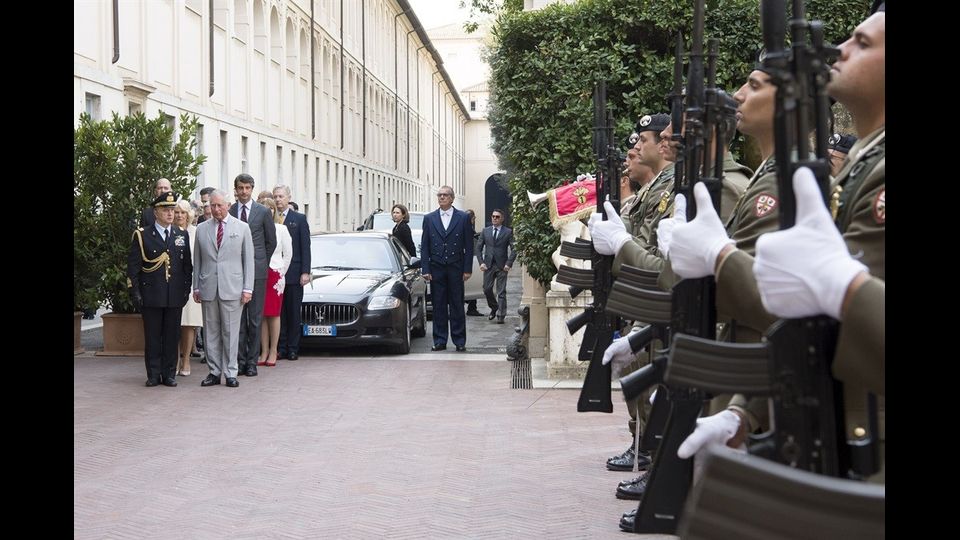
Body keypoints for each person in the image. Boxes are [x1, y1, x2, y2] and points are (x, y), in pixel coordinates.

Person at [669, 4, 885, 476]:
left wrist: (719, 256)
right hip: (825, 412)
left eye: (862, 43)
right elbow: (807, 318)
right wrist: (744, 411)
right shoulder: (861, 169)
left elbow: (801, 303)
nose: (840, 50)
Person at [127, 191, 192, 387]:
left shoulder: (181, 234)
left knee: (172, 336)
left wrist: (185, 290)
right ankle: (154, 374)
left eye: (172, 210)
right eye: (166, 210)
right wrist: (136, 292)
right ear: (156, 212)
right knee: (153, 337)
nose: (171, 214)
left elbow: (186, 267)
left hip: (174, 295)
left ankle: (169, 374)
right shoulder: (143, 235)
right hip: (152, 295)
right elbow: (133, 268)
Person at [193, 189, 255, 388]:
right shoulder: (201, 229)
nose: (216, 209)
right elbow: (198, 260)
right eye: (213, 206)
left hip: (233, 287)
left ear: (228, 205)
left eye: (220, 205)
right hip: (208, 286)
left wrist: (248, 288)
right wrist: (196, 287)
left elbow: (248, 261)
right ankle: (214, 371)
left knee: (230, 331)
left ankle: (230, 372)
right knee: (210, 330)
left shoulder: (242, 228)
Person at [230, 173, 278, 377]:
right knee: (238, 319)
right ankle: (239, 361)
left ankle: (252, 361)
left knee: (255, 318)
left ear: (252, 189)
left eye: (247, 188)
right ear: (236, 190)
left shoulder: (262, 212)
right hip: (235, 271)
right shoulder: (230, 210)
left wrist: (261, 263)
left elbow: (271, 241)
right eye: (240, 188)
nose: (243, 192)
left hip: (257, 272)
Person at [421, 185, 474, 352]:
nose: (442, 197)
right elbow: (425, 246)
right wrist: (425, 269)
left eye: (445, 195)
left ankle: (459, 340)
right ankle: (440, 340)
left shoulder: (463, 217)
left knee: (457, 304)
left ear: (452, 198)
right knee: (438, 305)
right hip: (437, 267)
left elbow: (469, 245)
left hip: (456, 267)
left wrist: (467, 269)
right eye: (440, 195)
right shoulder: (429, 218)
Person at [274, 185, 312, 360]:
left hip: (294, 273)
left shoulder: (299, 219)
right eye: (275, 196)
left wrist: (305, 271)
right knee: (278, 312)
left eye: (281, 196)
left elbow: (305, 247)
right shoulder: (271, 219)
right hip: (275, 274)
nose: (278, 200)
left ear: (289, 198)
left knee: (293, 312)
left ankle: (293, 348)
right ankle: (280, 347)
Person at [258, 197, 293, 367]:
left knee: (274, 313)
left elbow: (288, 254)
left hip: (276, 273)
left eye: (270, 208)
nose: (267, 211)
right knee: (262, 314)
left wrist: (281, 274)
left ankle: (273, 350)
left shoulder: (281, 229)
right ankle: (263, 351)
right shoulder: (257, 229)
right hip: (260, 274)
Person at [174, 199, 202, 377]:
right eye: (176, 212)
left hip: (191, 283)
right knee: (173, 323)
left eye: (182, 212)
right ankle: (174, 359)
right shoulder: (170, 231)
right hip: (172, 283)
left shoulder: (196, 233)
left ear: (188, 215)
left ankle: (185, 361)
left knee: (189, 324)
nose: (178, 215)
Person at [476, 209, 516, 324]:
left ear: (502, 219)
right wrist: (481, 262)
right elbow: (478, 248)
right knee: (487, 289)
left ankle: (501, 315)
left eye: (497, 217)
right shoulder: (485, 231)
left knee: (501, 291)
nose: (494, 218)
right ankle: (494, 307)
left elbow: (514, 249)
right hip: (488, 265)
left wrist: (509, 263)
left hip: (502, 265)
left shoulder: (508, 232)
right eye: (493, 216)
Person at [464, 209, 484, 316]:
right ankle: (471, 308)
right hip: (468, 261)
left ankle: (471, 307)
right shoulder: (469, 231)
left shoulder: (468, 230)